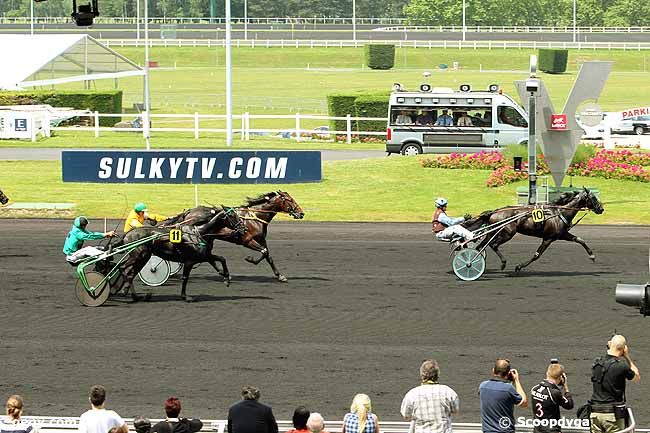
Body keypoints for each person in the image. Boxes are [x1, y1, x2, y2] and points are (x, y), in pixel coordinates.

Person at [589, 335, 640, 433]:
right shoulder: (621, 366)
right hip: (612, 415)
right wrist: (627, 356)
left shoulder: (596, 363)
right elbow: (636, 377)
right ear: (623, 348)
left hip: (594, 412)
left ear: (610, 344)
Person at [400, 359, 459, 433]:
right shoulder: (448, 392)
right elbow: (455, 411)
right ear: (437, 374)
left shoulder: (412, 394)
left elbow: (406, 415)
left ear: (422, 375)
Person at [479, 359, 528, 433]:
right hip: (505, 430)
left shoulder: (482, 386)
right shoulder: (508, 389)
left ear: (493, 370)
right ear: (508, 373)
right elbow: (524, 403)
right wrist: (516, 380)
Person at [530, 362, 574, 433]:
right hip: (552, 430)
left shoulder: (534, 389)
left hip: (537, 430)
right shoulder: (554, 393)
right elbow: (569, 405)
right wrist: (566, 387)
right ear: (560, 377)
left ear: (547, 373)